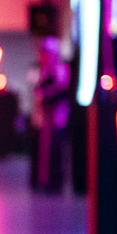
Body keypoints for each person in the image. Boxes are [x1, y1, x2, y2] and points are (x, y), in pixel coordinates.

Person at [30, 37, 71, 192]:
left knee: (55, 152)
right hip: (43, 119)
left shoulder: (61, 70)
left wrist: (47, 94)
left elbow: (60, 92)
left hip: (56, 119)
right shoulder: (41, 70)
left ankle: (54, 183)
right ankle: (42, 181)